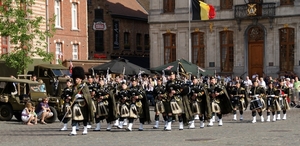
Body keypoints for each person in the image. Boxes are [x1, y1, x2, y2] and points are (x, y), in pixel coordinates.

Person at [69, 66, 95, 136]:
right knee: (74, 117)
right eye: (75, 79)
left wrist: (81, 96)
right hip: (75, 103)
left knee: (84, 117)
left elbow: (88, 95)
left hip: (83, 103)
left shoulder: (84, 86)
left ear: (80, 79)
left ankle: (85, 129)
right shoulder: (74, 86)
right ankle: (73, 130)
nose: (76, 80)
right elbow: (72, 94)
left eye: (77, 79)